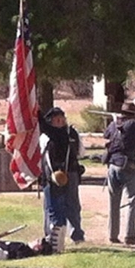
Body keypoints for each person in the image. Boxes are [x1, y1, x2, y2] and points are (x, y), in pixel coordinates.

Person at [39, 107, 85, 252]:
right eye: (56, 119)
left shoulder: (67, 133)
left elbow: (80, 152)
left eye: (61, 119)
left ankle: (76, 235)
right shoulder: (48, 135)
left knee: (71, 205)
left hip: (70, 172)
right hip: (52, 175)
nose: (60, 122)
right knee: (52, 207)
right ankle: (51, 236)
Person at [103, 102, 135, 245]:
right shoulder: (133, 124)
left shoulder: (114, 124)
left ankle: (113, 234)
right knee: (132, 201)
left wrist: (114, 120)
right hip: (127, 165)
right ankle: (129, 235)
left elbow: (106, 134)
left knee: (113, 202)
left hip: (113, 165)